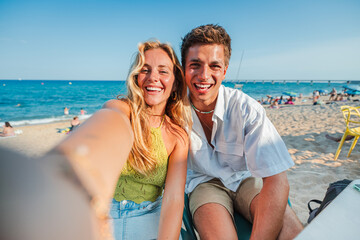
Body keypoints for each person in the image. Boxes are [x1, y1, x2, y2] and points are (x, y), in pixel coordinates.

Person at [181, 24, 303, 239]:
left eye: (214, 66)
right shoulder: (173, 111)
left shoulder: (246, 108)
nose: (204, 75)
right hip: (203, 183)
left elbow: (277, 179)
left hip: (245, 178)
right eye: (195, 65)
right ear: (183, 68)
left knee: (293, 231)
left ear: (225, 70)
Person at [104, 40, 191, 239]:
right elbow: (99, 128)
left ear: (176, 81)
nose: (153, 78)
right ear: (136, 77)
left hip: (150, 219)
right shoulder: (120, 110)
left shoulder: (178, 136)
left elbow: (174, 199)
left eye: (163, 71)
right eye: (145, 70)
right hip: (104, 216)